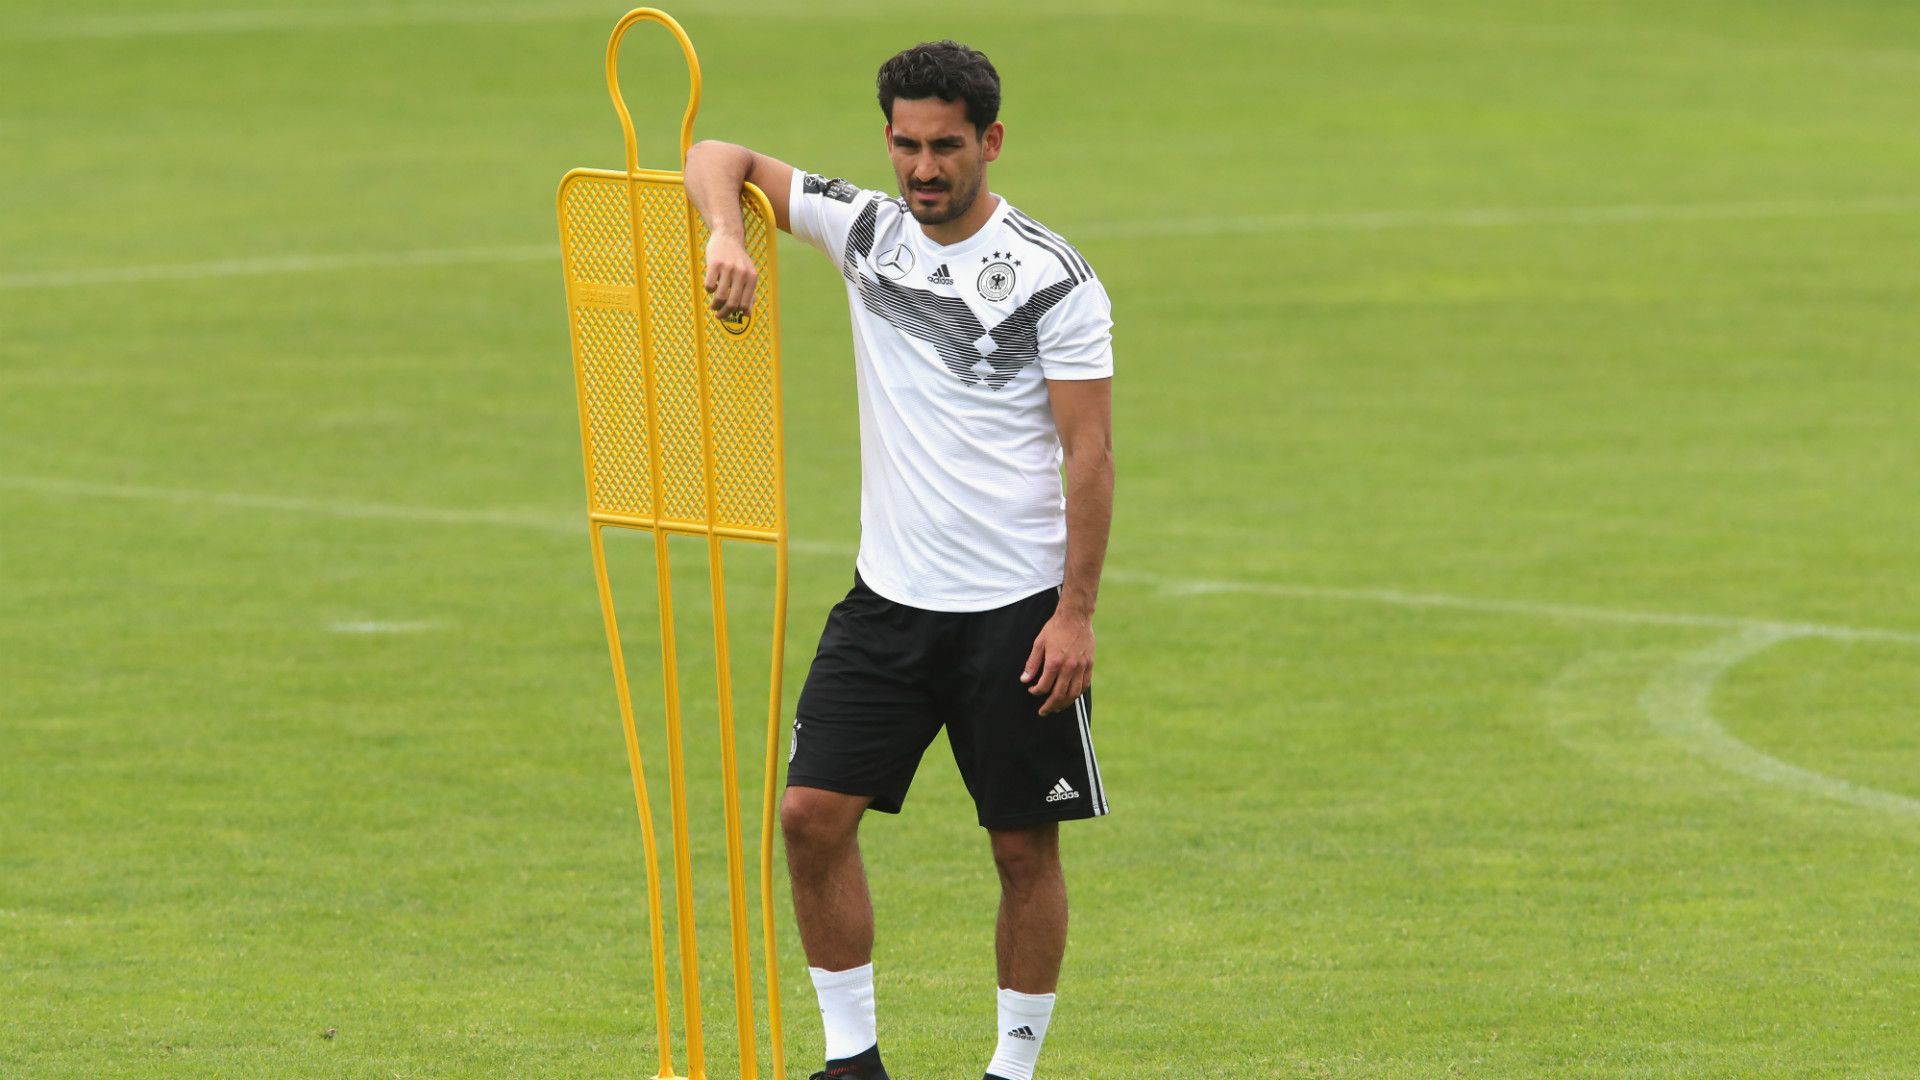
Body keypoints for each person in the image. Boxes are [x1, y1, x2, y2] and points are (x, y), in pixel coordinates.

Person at [684, 38, 1114, 1080]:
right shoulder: (868, 228)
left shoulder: (1053, 279)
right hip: (889, 604)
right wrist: (723, 238)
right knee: (808, 819)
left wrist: (1075, 613)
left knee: (1021, 848)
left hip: (1016, 613)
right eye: (907, 145)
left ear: (991, 143)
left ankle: (1011, 1070)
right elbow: (716, 153)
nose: (924, 170)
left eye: (947, 148)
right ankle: (851, 1060)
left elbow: (1088, 455)